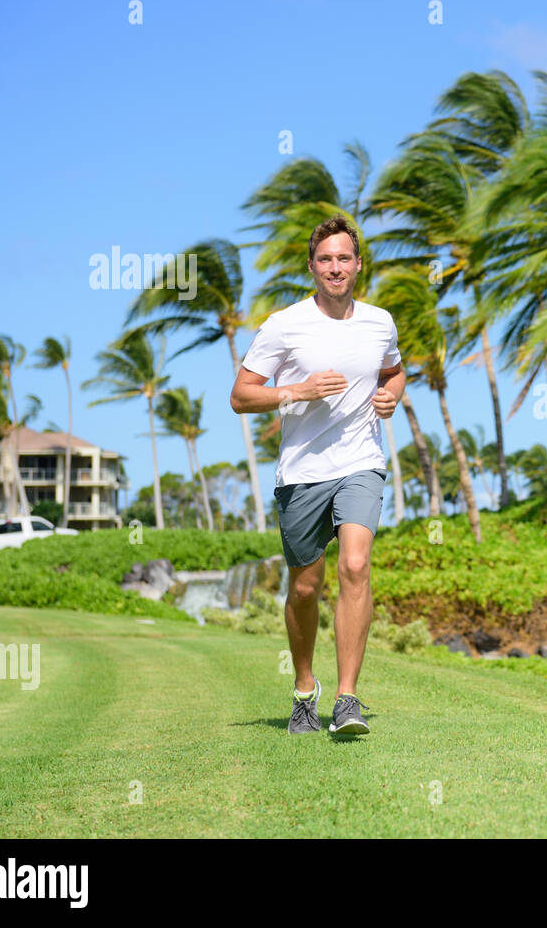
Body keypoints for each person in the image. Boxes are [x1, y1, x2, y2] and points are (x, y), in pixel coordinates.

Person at [229, 215, 404, 736]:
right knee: (305, 589)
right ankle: (306, 689)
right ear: (312, 266)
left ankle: (347, 700)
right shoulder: (284, 325)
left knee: (355, 564)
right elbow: (241, 396)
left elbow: (393, 370)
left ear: (356, 264)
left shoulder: (379, 322)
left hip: (361, 463)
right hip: (302, 470)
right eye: (325, 259)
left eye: (343, 258)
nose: (335, 267)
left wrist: (392, 396)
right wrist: (298, 391)